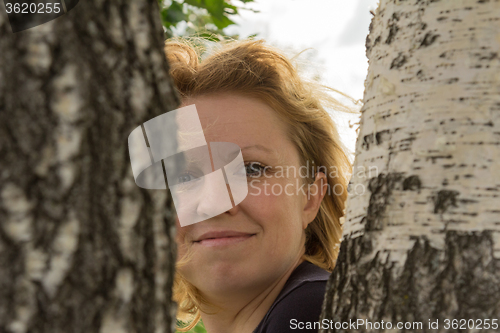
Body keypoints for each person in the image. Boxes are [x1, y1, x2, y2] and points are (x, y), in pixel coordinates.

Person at [163, 37, 354, 333]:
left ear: (310, 196)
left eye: (251, 169)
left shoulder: (313, 311)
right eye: (184, 177)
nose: (217, 203)